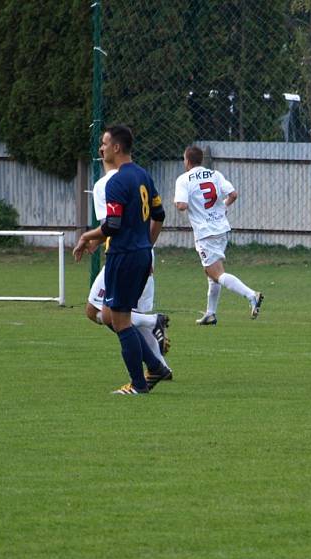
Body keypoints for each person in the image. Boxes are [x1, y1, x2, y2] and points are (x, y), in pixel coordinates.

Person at [73, 124, 172, 394]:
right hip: (139, 253)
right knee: (108, 315)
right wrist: (146, 244)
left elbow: (112, 225)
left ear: (116, 147)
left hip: (123, 255)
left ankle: (139, 384)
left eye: (104, 144)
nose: (101, 148)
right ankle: (156, 366)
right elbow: (160, 215)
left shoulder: (116, 182)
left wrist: (86, 236)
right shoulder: (143, 175)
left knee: (120, 321)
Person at [175, 145, 263, 325]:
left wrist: (176, 202)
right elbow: (233, 194)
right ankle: (210, 313)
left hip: (205, 233)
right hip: (221, 229)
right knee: (211, 274)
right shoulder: (215, 175)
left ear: (188, 161)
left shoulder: (184, 179)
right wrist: (223, 206)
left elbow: (182, 205)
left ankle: (251, 295)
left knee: (216, 273)